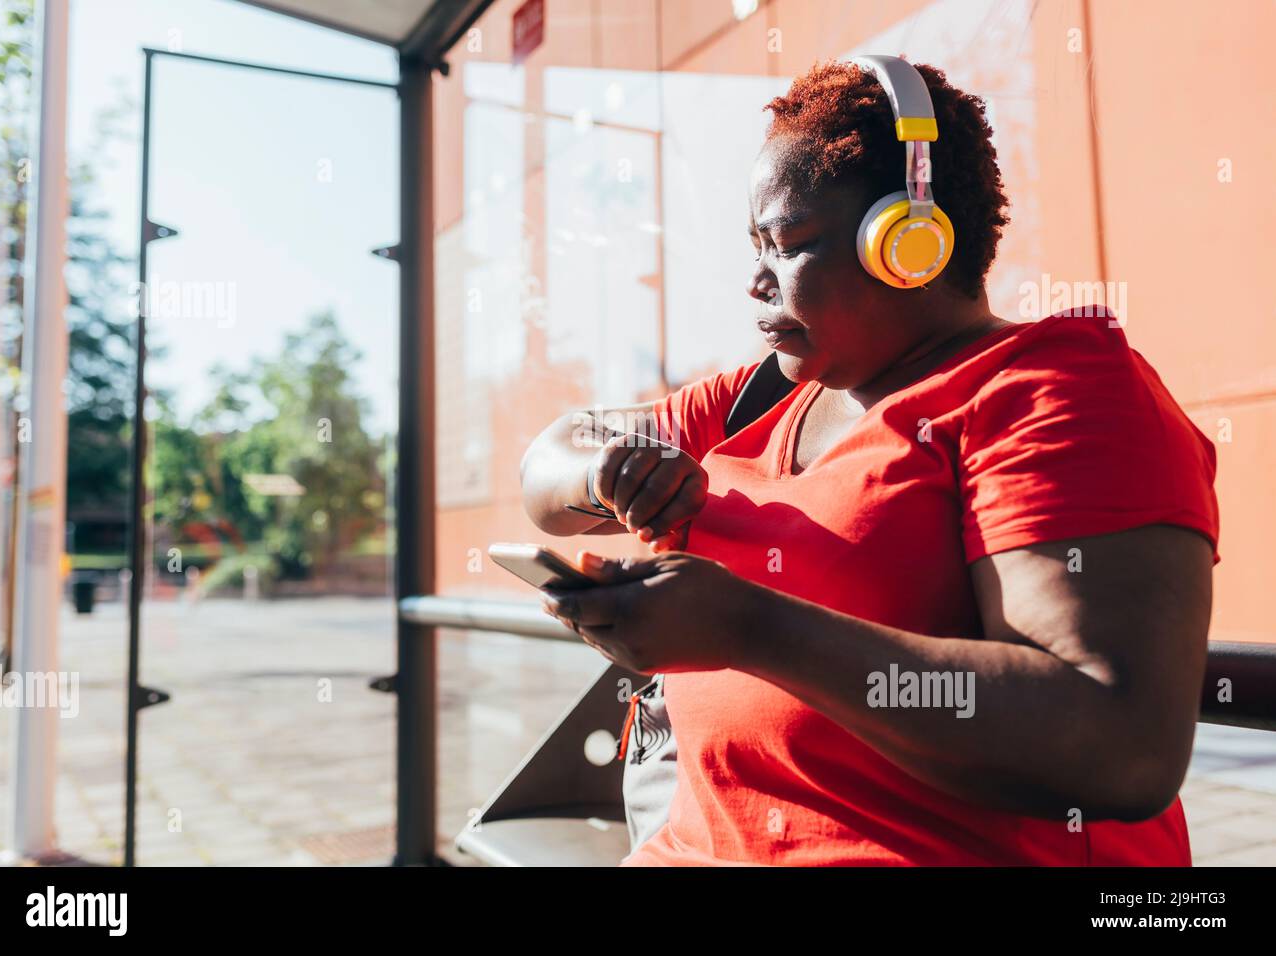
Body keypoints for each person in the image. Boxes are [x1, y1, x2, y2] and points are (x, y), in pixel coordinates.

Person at [518, 58, 1218, 866]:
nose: (756, 281)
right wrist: (604, 469)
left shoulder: (1053, 390)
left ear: (908, 244)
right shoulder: (759, 397)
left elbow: (1118, 747)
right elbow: (551, 458)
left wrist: (748, 628)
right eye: (754, 246)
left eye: (786, 245)